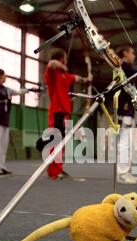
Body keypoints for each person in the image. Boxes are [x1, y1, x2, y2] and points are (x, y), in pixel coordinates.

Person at [44, 48, 91, 180]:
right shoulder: (52, 72)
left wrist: (87, 79)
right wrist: (63, 66)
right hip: (56, 112)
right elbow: (51, 63)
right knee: (56, 141)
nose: (66, 60)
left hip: (65, 112)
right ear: (61, 58)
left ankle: (57, 169)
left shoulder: (65, 75)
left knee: (62, 142)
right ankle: (54, 171)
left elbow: (77, 78)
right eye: (64, 58)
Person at [116, 45, 137, 185]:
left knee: (127, 142)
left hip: (128, 109)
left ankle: (125, 172)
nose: (134, 56)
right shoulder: (123, 65)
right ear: (125, 53)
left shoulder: (126, 68)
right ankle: (122, 173)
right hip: (124, 109)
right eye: (132, 53)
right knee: (124, 142)